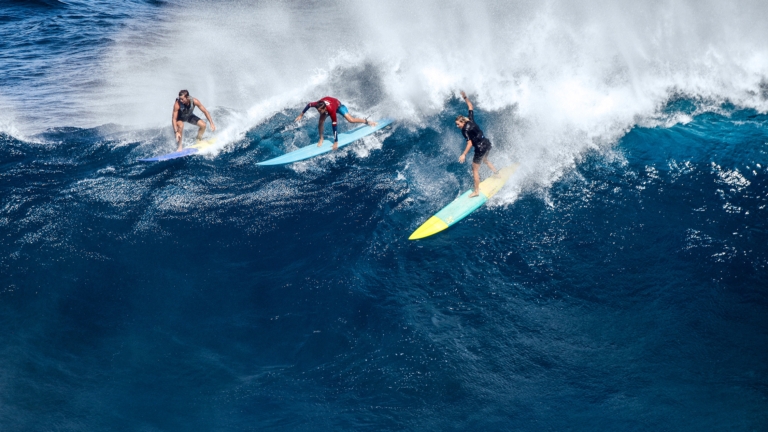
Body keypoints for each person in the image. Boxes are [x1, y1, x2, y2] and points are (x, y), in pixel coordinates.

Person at [455, 90, 498, 197]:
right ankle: (497, 174)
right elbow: (470, 106)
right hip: (487, 143)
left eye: (458, 124)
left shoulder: (465, 130)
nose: (457, 126)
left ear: (462, 122)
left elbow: (469, 144)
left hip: (480, 148)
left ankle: (476, 191)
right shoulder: (471, 120)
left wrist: (464, 154)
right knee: (485, 160)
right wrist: (465, 97)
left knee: (474, 169)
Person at [294, 96, 376, 150]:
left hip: (338, 106)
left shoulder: (331, 110)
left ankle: (367, 121)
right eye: (318, 110)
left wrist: (336, 141)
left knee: (351, 120)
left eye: (320, 111)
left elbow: (334, 126)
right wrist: (301, 114)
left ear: (324, 109)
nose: (319, 112)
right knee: (320, 123)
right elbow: (309, 105)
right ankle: (321, 138)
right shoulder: (317, 105)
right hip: (328, 106)